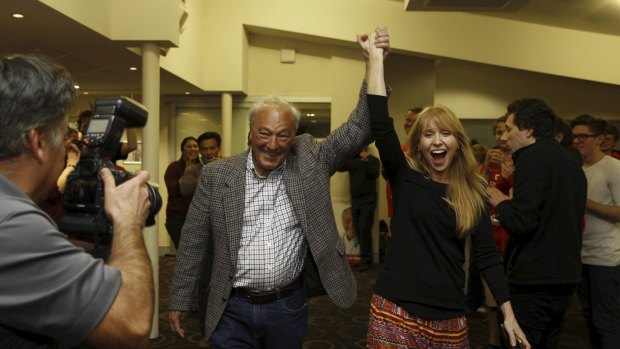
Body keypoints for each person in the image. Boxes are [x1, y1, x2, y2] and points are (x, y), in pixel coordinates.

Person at [168, 26, 391, 348]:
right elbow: (193, 241)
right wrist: (179, 298)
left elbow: (362, 125)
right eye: (265, 133)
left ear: (294, 135)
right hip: (230, 306)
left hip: (287, 305)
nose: (273, 144)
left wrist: (374, 62)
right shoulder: (217, 175)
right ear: (250, 133)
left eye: (283, 135)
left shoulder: (310, 158)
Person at [364, 33, 528, 348]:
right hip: (395, 310)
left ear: (458, 142)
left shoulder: (473, 191)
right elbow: (380, 122)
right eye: (428, 134)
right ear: (419, 145)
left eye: (445, 133)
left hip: (449, 317)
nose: (437, 141)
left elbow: (486, 256)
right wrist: (375, 59)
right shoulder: (405, 177)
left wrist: (508, 311)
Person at [0, 54, 154, 348]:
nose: (65, 153)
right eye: (62, 139)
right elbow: (131, 325)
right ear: (39, 143)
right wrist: (127, 221)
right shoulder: (13, 225)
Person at [488, 98, 587, 349]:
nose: (506, 136)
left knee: (520, 341)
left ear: (529, 130)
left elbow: (522, 222)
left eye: (510, 128)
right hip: (564, 277)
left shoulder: (531, 158)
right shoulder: (570, 162)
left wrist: (500, 201)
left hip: (534, 278)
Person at [571, 114, 620, 349]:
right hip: (581, 255)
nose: (578, 140)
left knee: (606, 321)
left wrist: (585, 201)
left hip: (606, 257)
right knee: (589, 318)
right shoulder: (576, 168)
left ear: (599, 138)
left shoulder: (613, 167)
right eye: (575, 136)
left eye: (583, 136)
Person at [338, 145, 380, 271]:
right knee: (358, 228)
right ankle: (363, 259)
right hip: (356, 200)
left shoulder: (373, 160)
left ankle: (367, 260)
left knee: (364, 227)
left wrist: (366, 160)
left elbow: (375, 174)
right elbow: (339, 168)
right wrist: (347, 154)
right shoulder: (352, 160)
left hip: (368, 199)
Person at [164, 136, 200, 249]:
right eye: (189, 146)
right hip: (178, 217)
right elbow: (173, 190)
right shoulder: (174, 167)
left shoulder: (203, 167)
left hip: (198, 217)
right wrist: (187, 173)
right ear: (182, 150)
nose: (193, 149)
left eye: (195, 146)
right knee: (183, 253)